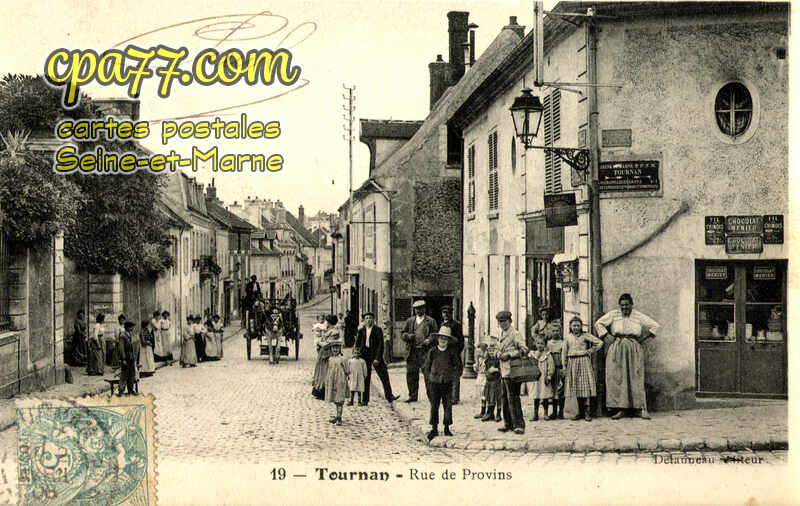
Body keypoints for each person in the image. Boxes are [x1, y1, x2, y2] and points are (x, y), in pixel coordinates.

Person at [595, 293, 660, 420]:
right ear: (619, 305)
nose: (625, 307)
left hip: (633, 347)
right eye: (622, 305)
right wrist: (607, 336)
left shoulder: (638, 315)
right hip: (617, 347)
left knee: (635, 376)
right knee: (618, 377)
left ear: (631, 305)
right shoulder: (614, 314)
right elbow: (598, 324)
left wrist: (643, 339)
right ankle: (621, 409)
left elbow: (655, 326)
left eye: (627, 305)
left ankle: (639, 409)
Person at [422, 326, 462, 441]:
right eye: (441, 338)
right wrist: (429, 377)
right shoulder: (433, 351)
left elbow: (458, 367)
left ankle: (446, 427)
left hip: (447, 382)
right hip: (434, 382)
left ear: (448, 341)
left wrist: (454, 377)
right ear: (438, 339)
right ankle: (434, 428)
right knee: (434, 405)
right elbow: (426, 366)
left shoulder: (451, 352)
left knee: (447, 405)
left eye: (445, 339)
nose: (443, 341)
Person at [493, 310, 528, 435]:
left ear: (510, 321)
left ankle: (519, 424)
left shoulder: (515, 333)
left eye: (504, 321)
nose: (502, 324)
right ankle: (508, 423)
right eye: (500, 322)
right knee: (504, 398)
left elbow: (524, 350)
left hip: (513, 369)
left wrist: (509, 354)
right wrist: (498, 354)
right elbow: (496, 348)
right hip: (503, 370)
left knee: (513, 397)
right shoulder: (501, 333)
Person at [563, 316, 603, 421]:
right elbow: (564, 352)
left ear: (581, 326)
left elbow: (599, 342)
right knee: (575, 387)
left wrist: (590, 351)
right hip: (572, 363)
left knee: (585, 387)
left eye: (578, 325)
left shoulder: (585, 336)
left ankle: (587, 412)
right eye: (574, 325)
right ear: (570, 327)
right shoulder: (568, 337)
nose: (576, 327)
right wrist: (564, 365)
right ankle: (578, 412)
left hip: (584, 362)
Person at [354, 312, 400, 405]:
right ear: (364, 320)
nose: (368, 320)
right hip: (364, 355)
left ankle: (389, 396)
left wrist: (377, 358)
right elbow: (357, 344)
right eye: (366, 318)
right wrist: (357, 354)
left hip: (375, 354)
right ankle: (365, 400)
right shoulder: (361, 330)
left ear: (373, 320)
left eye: (370, 318)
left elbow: (380, 345)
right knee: (366, 377)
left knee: (384, 375)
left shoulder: (377, 330)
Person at [400, 300, 438, 403]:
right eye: (417, 309)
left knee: (428, 375)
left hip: (425, 352)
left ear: (424, 309)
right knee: (411, 374)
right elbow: (402, 333)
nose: (418, 311)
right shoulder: (410, 321)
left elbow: (435, 335)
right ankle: (412, 396)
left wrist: (430, 340)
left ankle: (432, 397)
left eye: (420, 308)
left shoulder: (431, 321)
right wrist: (408, 336)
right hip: (412, 352)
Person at [440, 305, 464, 404]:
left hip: (453, 352)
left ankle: (454, 397)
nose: (446, 315)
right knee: (445, 374)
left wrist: (456, 351)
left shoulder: (456, 325)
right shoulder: (442, 324)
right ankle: (446, 396)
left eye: (448, 313)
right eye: (444, 313)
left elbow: (460, 341)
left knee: (454, 375)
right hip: (444, 352)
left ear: (451, 314)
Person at [528, 337, 555, 421]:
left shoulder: (547, 355)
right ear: (535, 344)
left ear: (545, 345)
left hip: (544, 378)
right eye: (538, 343)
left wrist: (549, 376)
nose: (540, 345)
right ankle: (535, 413)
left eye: (542, 343)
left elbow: (551, 366)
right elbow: (530, 365)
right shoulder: (532, 354)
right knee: (536, 396)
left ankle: (546, 413)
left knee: (545, 396)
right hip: (535, 379)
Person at [325, 341, 349, 426]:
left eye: (337, 348)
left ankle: (339, 418)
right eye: (333, 348)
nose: (335, 349)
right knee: (336, 399)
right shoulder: (330, 359)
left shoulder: (343, 359)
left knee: (340, 400)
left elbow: (347, 370)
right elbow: (329, 370)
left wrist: (344, 377)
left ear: (340, 349)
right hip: (333, 381)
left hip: (340, 381)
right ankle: (337, 415)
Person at [547, 321, 565, 419]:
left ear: (560, 331)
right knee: (553, 391)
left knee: (561, 390)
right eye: (553, 331)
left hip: (559, 368)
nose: (555, 332)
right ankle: (554, 412)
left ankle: (561, 411)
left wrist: (563, 367)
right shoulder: (548, 343)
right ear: (550, 332)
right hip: (551, 370)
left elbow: (564, 356)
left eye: (557, 330)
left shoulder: (563, 342)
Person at [482, 336, 504, 422]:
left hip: (496, 381)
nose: (491, 352)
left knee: (497, 398)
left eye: (493, 350)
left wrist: (496, 369)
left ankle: (498, 414)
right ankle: (490, 413)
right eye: (489, 350)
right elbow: (485, 369)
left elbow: (502, 370)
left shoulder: (498, 360)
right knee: (488, 397)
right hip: (489, 381)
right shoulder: (487, 360)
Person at [118, 321, 138, 395]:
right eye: (131, 326)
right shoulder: (122, 335)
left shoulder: (130, 334)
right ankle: (121, 391)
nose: (132, 328)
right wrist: (123, 359)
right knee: (124, 375)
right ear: (127, 327)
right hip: (126, 358)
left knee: (131, 374)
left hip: (131, 357)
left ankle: (130, 390)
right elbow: (121, 348)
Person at [472, 343, 489, 419]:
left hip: (486, 376)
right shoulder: (479, 360)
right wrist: (476, 362)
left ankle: (487, 411)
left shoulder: (488, 359)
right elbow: (477, 369)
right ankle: (482, 410)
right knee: (481, 393)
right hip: (480, 376)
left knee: (485, 393)